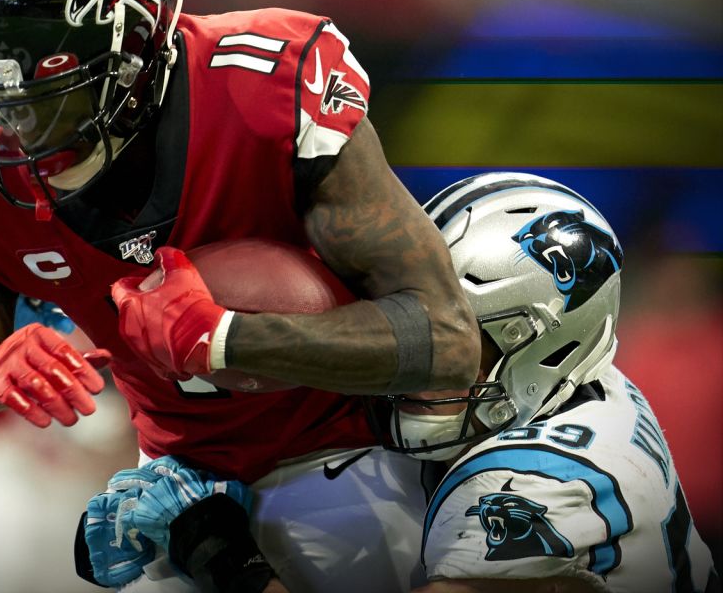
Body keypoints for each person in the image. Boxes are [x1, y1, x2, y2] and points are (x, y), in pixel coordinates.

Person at [0, 0, 480, 592]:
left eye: (38, 88)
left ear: (130, 46)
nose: (8, 126)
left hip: (349, 458)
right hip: (180, 488)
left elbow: (447, 338)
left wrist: (227, 340)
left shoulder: (262, 89)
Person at [87, 173, 720, 593]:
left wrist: (220, 555)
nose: (423, 354)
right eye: (412, 316)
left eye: (459, 341)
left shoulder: (532, 481)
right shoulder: (557, 391)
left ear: (550, 346)